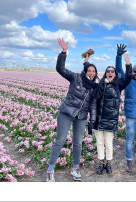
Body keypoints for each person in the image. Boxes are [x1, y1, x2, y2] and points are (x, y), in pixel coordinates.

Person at [46, 38, 99, 182]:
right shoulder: (76, 78)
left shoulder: (95, 86)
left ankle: (75, 168)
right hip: (67, 112)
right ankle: (50, 170)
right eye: (89, 70)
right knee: (60, 140)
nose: (91, 73)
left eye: (93, 71)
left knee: (78, 142)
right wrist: (64, 52)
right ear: (85, 71)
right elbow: (60, 69)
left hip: (81, 116)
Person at [93, 51, 132, 175]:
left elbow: (128, 78)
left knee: (109, 144)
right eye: (108, 71)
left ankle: (108, 163)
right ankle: (101, 163)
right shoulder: (99, 84)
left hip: (110, 119)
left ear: (115, 74)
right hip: (99, 119)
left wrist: (128, 64)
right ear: (105, 73)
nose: (110, 73)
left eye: (112, 71)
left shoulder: (118, 85)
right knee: (99, 143)